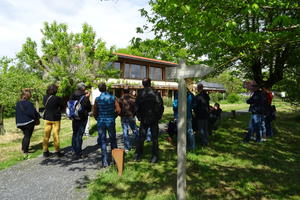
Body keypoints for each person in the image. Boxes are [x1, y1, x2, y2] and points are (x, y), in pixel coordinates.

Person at [135, 78, 164, 163]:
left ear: (143, 84)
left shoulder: (140, 94)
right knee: (154, 138)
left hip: (145, 118)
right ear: (150, 83)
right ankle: (154, 157)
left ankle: (138, 155)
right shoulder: (155, 93)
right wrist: (158, 116)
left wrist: (139, 116)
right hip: (153, 118)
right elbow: (160, 106)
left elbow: (136, 107)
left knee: (141, 137)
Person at [93, 83, 121, 167]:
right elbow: (118, 110)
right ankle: (115, 159)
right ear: (106, 88)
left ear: (99, 89)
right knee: (113, 139)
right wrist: (113, 116)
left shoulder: (97, 99)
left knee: (103, 141)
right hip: (110, 121)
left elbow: (94, 112)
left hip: (101, 121)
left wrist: (98, 118)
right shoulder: (113, 98)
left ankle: (105, 161)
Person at [15, 89, 40, 159]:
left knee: (26, 135)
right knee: (27, 136)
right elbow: (33, 113)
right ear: (28, 96)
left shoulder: (18, 104)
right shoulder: (29, 103)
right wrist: (38, 117)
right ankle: (25, 151)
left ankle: (23, 148)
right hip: (28, 123)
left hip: (20, 123)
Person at [69, 82, 92, 159]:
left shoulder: (72, 95)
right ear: (83, 88)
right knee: (79, 135)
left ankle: (73, 150)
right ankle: (78, 152)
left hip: (74, 116)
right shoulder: (84, 97)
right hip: (82, 117)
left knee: (75, 133)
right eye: (85, 87)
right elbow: (88, 108)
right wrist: (88, 98)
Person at [42, 84, 64, 157]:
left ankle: (45, 151)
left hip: (47, 118)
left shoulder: (44, 97)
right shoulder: (58, 98)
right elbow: (62, 107)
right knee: (56, 135)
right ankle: (57, 151)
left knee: (46, 135)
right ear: (55, 90)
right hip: (56, 118)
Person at [118, 88, 139, 152]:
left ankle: (127, 147)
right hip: (131, 116)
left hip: (124, 117)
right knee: (135, 130)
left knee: (125, 132)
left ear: (123, 91)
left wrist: (120, 115)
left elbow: (118, 109)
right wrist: (134, 114)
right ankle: (139, 144)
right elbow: (136, 108)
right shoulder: (133, 99)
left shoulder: (120, 99)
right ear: (129, 91)